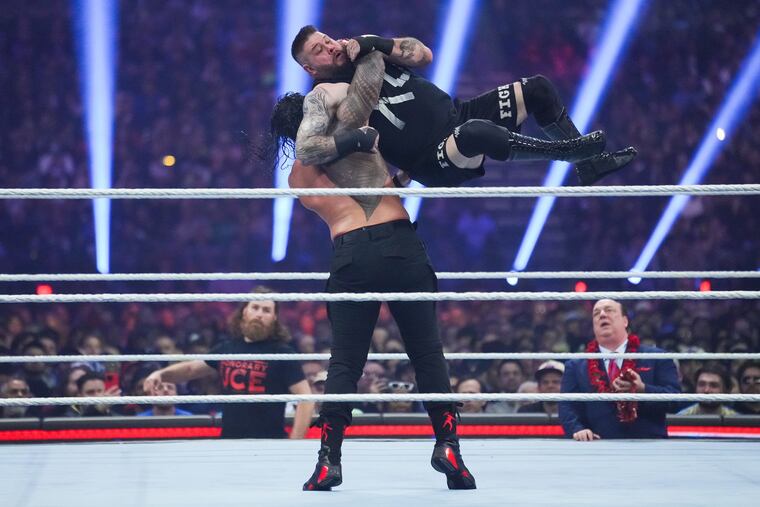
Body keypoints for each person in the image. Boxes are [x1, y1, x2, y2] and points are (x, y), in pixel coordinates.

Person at [270, 51, 475, 491]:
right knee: (426, 352)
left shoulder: (297, 181)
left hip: (351, 254)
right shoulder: (354, 135)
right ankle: (449, 447)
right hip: (399, 245)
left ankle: (328, 460)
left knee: (345, 361)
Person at [289, 26, 636, 188]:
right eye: (319, 50)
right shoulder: (324, 94)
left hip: (458, 116)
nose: (330, 47)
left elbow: (423, 55)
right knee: (473, 134)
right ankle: (566, 152)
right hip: (433, 159)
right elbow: (310, 146)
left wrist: (376, 42)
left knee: (538, 89)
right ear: (309, 68)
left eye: (327, 40)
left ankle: (588, 166)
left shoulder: (367, 52)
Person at [143, 288, 313, 439]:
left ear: (274, 318)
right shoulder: (228, 348)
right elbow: (190, 369)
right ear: (244, 312)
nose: (259, 314)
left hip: (269, 442)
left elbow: (306, 399)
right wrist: (160, 374)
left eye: (266, 310)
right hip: (230, 441)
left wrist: (295, 442)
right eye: (255, 307)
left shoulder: (282, 353)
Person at [559, 299, 680, 440]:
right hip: (598, 446)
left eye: (609, 310)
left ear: (625, 321)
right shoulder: (576, 366)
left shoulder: (656, 357)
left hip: (648, 445)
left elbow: (675, 401)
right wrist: (578, 429)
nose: (602, 315)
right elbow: (566, 407)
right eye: (596, 313)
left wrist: (643, 390)